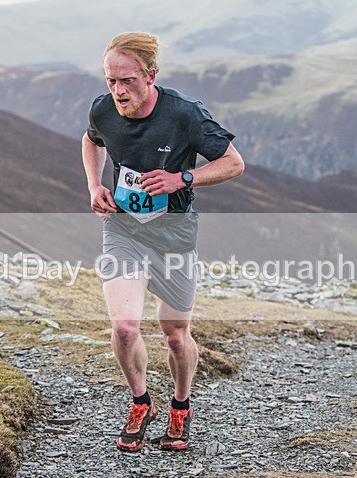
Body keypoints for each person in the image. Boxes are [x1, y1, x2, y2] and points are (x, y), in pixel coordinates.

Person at [81, 31, 244, 452]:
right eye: (111, 81)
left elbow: (233, 163)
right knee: (123, 327)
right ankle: (141, 402)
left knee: (174, 334)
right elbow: (91, 139)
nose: (118, 91)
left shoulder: (184, 114)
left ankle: (180, 405)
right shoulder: (103, 109)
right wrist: (95, 184)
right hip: (124, 228)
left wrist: (183, 178)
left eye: (127, 81)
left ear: (150, 75)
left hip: (174, 233)